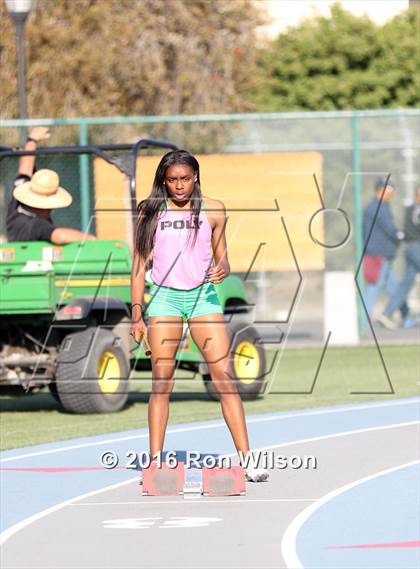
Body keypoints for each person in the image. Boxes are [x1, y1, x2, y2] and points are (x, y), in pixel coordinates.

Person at [130, 150, 269, 482]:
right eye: (173, 180)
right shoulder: (150, 212)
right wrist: (137, 316)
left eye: (186, 179)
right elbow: (137, 268)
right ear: (164, 181)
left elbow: (224, 259)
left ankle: (248, 459)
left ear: (196, 177)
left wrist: (223, 269)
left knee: (224, 377)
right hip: (164, 301)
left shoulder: (215, 210)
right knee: (162, 382)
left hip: (202, 299)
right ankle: (154, 464)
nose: (179, 186)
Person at [6, 127, 96, 243]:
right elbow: (60, 236)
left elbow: (25, 169)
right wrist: (92, 239)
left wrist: (32, 140)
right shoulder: (38, 225)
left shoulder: (16, 205)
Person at [362, 177, 407, 325]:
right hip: (377, 255)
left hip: (384, 255)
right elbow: (391, 229)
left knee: (393, 287)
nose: (391, 193)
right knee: (375, 286)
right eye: (388, 190)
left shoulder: (381, 206)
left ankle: (405, 315)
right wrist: (402, 235)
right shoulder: (377, 208)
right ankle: (364, 320)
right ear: (380, 190)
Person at [377, 186, 420, 329]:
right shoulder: (417, 210)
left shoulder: (410, 208)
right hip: (416, 247)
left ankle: (386, 313)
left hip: (409, 248)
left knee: (406, 283)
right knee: (405, 283)